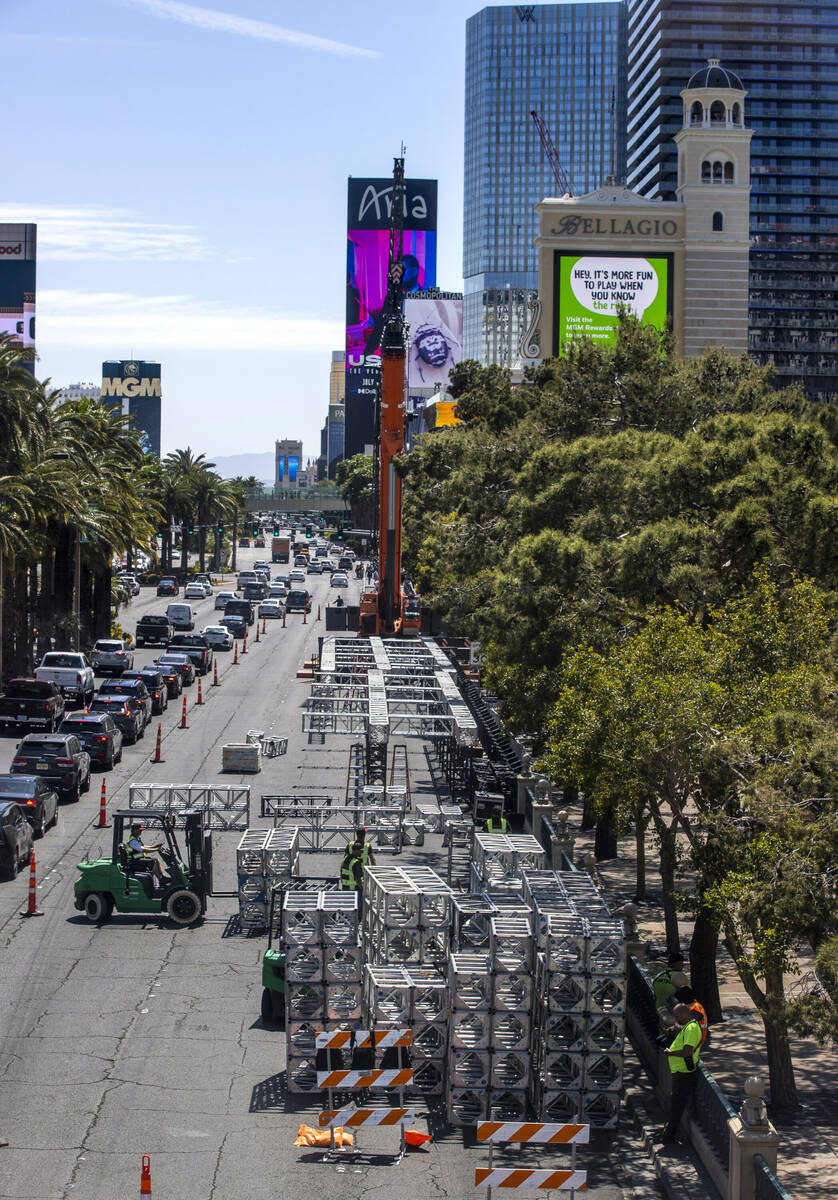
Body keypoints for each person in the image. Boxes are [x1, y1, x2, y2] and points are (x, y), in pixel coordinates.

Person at [660, 1003, 703, 1144]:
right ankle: (669, 1133)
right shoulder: (688, 1026)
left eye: (678, 1016)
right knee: (676, 1102)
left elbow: (687, 1052)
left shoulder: (691, 1028)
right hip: (680, 1072)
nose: (677, 1019)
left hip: (684, 1072)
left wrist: (671, 1053)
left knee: (677, 1104)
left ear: (684, 1014)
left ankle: (669, 1135)